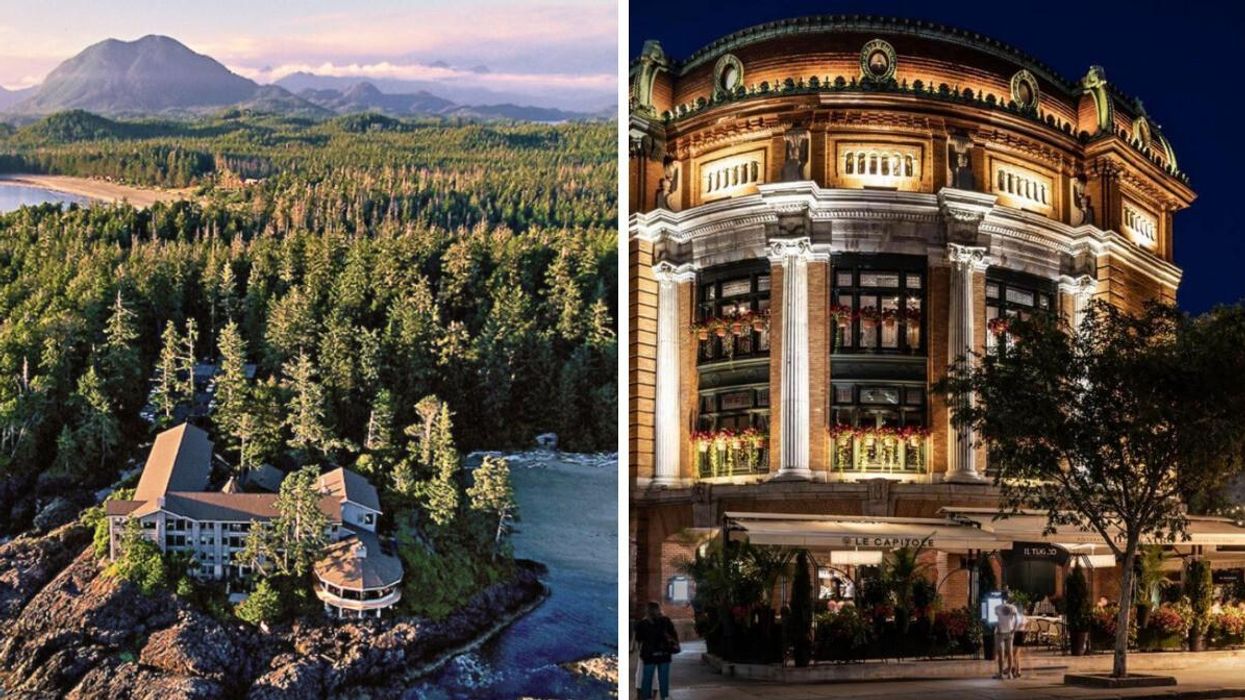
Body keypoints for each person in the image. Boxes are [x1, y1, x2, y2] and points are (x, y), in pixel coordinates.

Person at [636, 601, 679, 699]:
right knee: (664, 679)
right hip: (664, 654)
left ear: (647, 611)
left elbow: (639, 638)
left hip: (649, 654)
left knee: (647, 679)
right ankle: (665, 697)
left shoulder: (643, 623)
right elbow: (673, 634)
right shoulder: (666, 621)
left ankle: (646, 697)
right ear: (659, 609)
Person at [994, 590, 1019, 680]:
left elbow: (997, 620)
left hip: (1001, 632)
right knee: (1009, 653)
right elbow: (1016, 620)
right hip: (1009, 632)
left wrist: (999, 628)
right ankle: (1008, 673)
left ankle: (1002, 673)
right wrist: (1014, 629)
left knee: (1002, 653)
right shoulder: (1013, 608)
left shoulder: (997, 607)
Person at [1011, 600, 1027, 679]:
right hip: (1019, 634)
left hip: (1018, 634)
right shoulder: (1021, 616)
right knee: (1016, 654)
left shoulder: (1019, 616)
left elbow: (1019, 625)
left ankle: (1016, 670)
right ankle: (1017, 670)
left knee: (1014, 654)